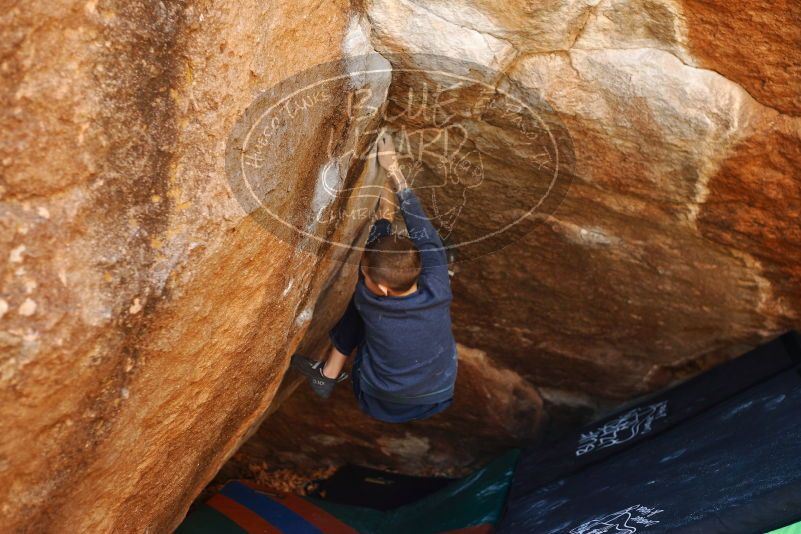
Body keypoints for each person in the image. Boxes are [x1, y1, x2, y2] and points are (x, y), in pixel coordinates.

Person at [291, 132, 457, 423]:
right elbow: (423, 230)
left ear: (381, 288)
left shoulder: (370, 302)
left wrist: (383, 217)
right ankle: (326, 375)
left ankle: (328, 373)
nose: (365, 278)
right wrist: (393, 170)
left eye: (367, 275)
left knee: (358, 301)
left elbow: (370, 269)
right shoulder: (438, 283)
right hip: (438, 393)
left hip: (380, 399)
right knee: (367, 290)